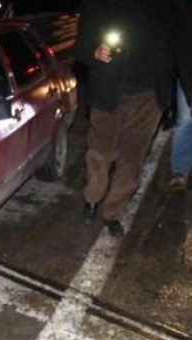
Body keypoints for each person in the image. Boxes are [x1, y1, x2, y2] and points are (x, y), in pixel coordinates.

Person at [74, 0, 175, 237]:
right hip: (109, 92)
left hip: (149, 98)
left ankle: (113, 212)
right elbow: (80, 47)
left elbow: (180, 45)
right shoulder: (100, 5)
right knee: (100, 153)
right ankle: (92, 198)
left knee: (132, 159)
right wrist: (94, 51)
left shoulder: (167, 7)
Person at [168, 0, 192, 190]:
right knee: (185, 121)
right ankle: (180, 170)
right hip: (188, 73)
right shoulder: (182, 8)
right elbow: (180, 48)